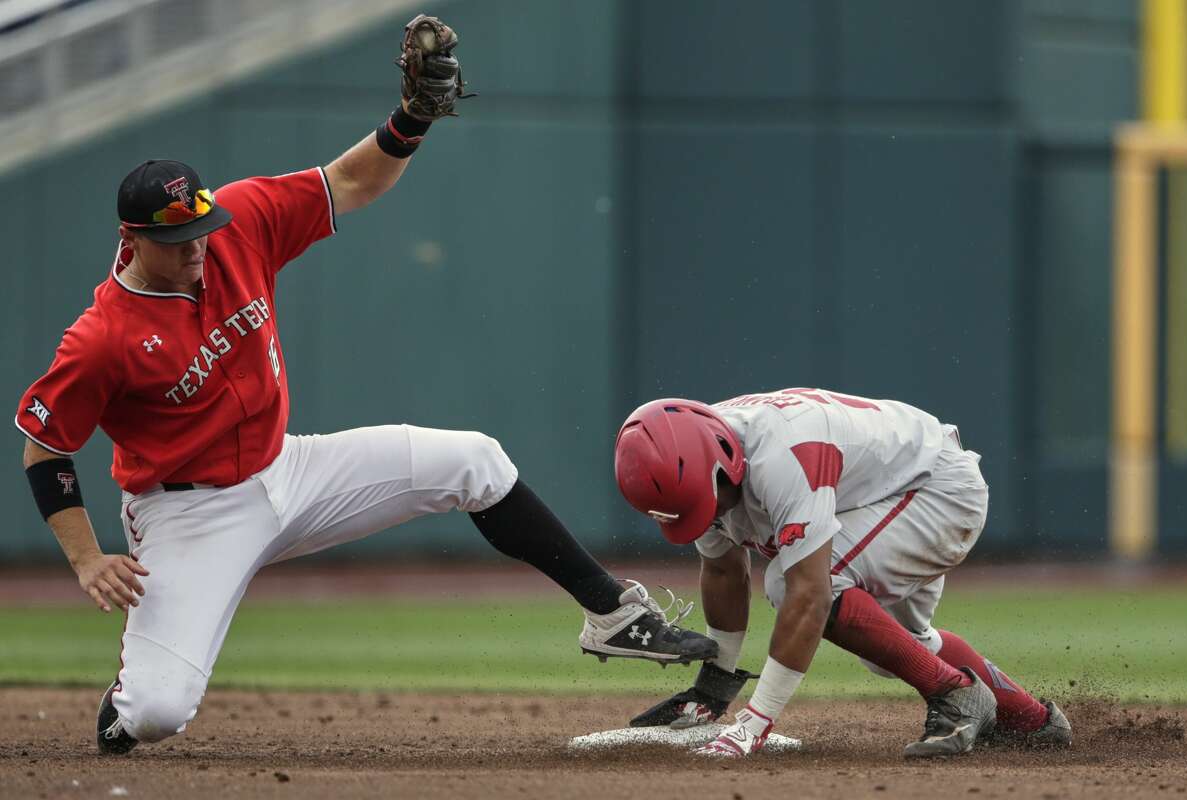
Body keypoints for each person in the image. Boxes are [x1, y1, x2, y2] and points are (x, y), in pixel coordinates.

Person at [15, 15, 714, 756]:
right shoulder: (102, 339)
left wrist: (411, 118)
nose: (197, 247)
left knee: (473, 460)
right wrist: (88, 558)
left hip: (290, 468)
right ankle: (122, 708)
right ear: (132, 241)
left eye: (201, 228)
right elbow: (44, 445)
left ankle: (610, 611)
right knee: (157, 712)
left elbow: (351, 180)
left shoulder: (237, 223)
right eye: (176, 240)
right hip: (188, 516)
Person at [613, 388, 1072, 758]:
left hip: (935, 491)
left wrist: (754, 723)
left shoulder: (782, 455)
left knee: (796, 582)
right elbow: (723, 570)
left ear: (724, 460)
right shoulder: (696, 453)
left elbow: (809, 595)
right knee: (890, 649)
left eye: (705, 502)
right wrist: (713, 687)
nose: (706, 514)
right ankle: (1032, 721)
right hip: (881, 493)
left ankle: (955, 693)